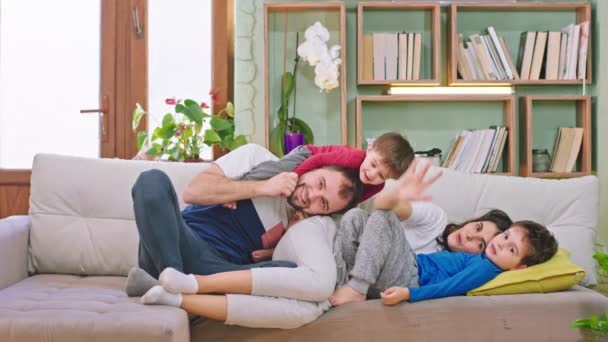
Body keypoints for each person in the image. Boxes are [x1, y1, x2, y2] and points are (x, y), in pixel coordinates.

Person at [126, 143, 364, 297]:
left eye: (323, 203)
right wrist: (263, 187)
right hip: (177, 238)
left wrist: (276, 248)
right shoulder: (257, 158)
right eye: (319, 183)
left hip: (216, 271)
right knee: (151, 180)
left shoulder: (303, 224)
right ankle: (172, 281)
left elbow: (273, 264)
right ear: (313, 167)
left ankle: (162, 282)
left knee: (289, 271)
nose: (310, 195)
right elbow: (193, 192)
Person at [380, 220, 559, 305]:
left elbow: (450, 287)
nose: (501, 243)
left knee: (384, 220)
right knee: (358, 219)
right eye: (505, 236)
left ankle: (355, 288)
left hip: (411, 273)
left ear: (520, 267)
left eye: (512, 250)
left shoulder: (486, 268)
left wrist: (409, 294)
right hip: (408, 263)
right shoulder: (483, 259)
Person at [234, 132, 414, 204]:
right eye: (373, 164)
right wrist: (294, 177)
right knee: (279, 169)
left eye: (381, 175)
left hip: (324, 177)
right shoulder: (353, 158)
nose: (371, 174)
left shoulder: (377, 186)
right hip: (308, 155)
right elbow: (318, 160)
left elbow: (353, 201)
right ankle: (241, 184)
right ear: (369, 149)